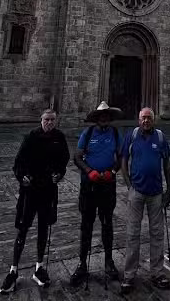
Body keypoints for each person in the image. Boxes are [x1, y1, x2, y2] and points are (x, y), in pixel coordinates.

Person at [0, 109, 70, 294]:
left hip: (48, 190)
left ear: (56, 121)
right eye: (46, 120)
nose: (49, 123)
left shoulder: (59, 137)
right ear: (41, 120)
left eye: (52, 120)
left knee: (43, 228)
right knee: (22, 228)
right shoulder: (31, 137)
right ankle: (13, 270)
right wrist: (22, 176)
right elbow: (18, 162)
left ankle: (39, 267)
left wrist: (59, 174)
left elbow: (64, 160)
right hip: (30, 192)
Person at [120, 107, 170, 293]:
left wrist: (169, 190)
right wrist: (129, 184)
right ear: (138, 119)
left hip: (156, 192)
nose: (146, 121)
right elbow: (123, 160)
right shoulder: (132, 135)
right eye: (143, 118)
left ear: (154, 119)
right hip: (137, 191)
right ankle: (129, 275)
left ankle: (157, 273)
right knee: (133, 233)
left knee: (157, 233)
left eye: (149, 118)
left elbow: (166, 165)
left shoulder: (160, 137)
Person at [70, 101, 123, 286]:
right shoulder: (88, 133)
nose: (104, 118)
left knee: (107, 224)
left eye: (107, 115)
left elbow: (120, 157)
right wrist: (88, 171)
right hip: (89, 187)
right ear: (97, 118)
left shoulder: (115, 133)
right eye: (101, 115)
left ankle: (109, 262)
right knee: (86, 225)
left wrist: (113, 172)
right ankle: (82, 264)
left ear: (109, 117)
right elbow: (77, 156)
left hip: (107, 186)